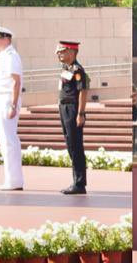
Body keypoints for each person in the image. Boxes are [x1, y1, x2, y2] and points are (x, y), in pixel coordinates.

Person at [0, 24, 24, 191]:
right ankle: (11, 179)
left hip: (8, 98)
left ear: (6, 39)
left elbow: (16, 82)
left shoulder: (11, 56)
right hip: (0, 98)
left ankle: (14, 181)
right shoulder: (2, 55)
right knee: (5, 141)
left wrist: (13, 105)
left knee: (9, 141)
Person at [56, 39, 89, 196]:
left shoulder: (77, 70)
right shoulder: (66, 68)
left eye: (62, 51)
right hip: (64, 108)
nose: (59, 54)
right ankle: (76, 181)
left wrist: (80, 114)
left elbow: (83, 91)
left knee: (76, 146)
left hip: (73, 109)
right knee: (70, 144)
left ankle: (79, 184)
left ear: (71, 52)